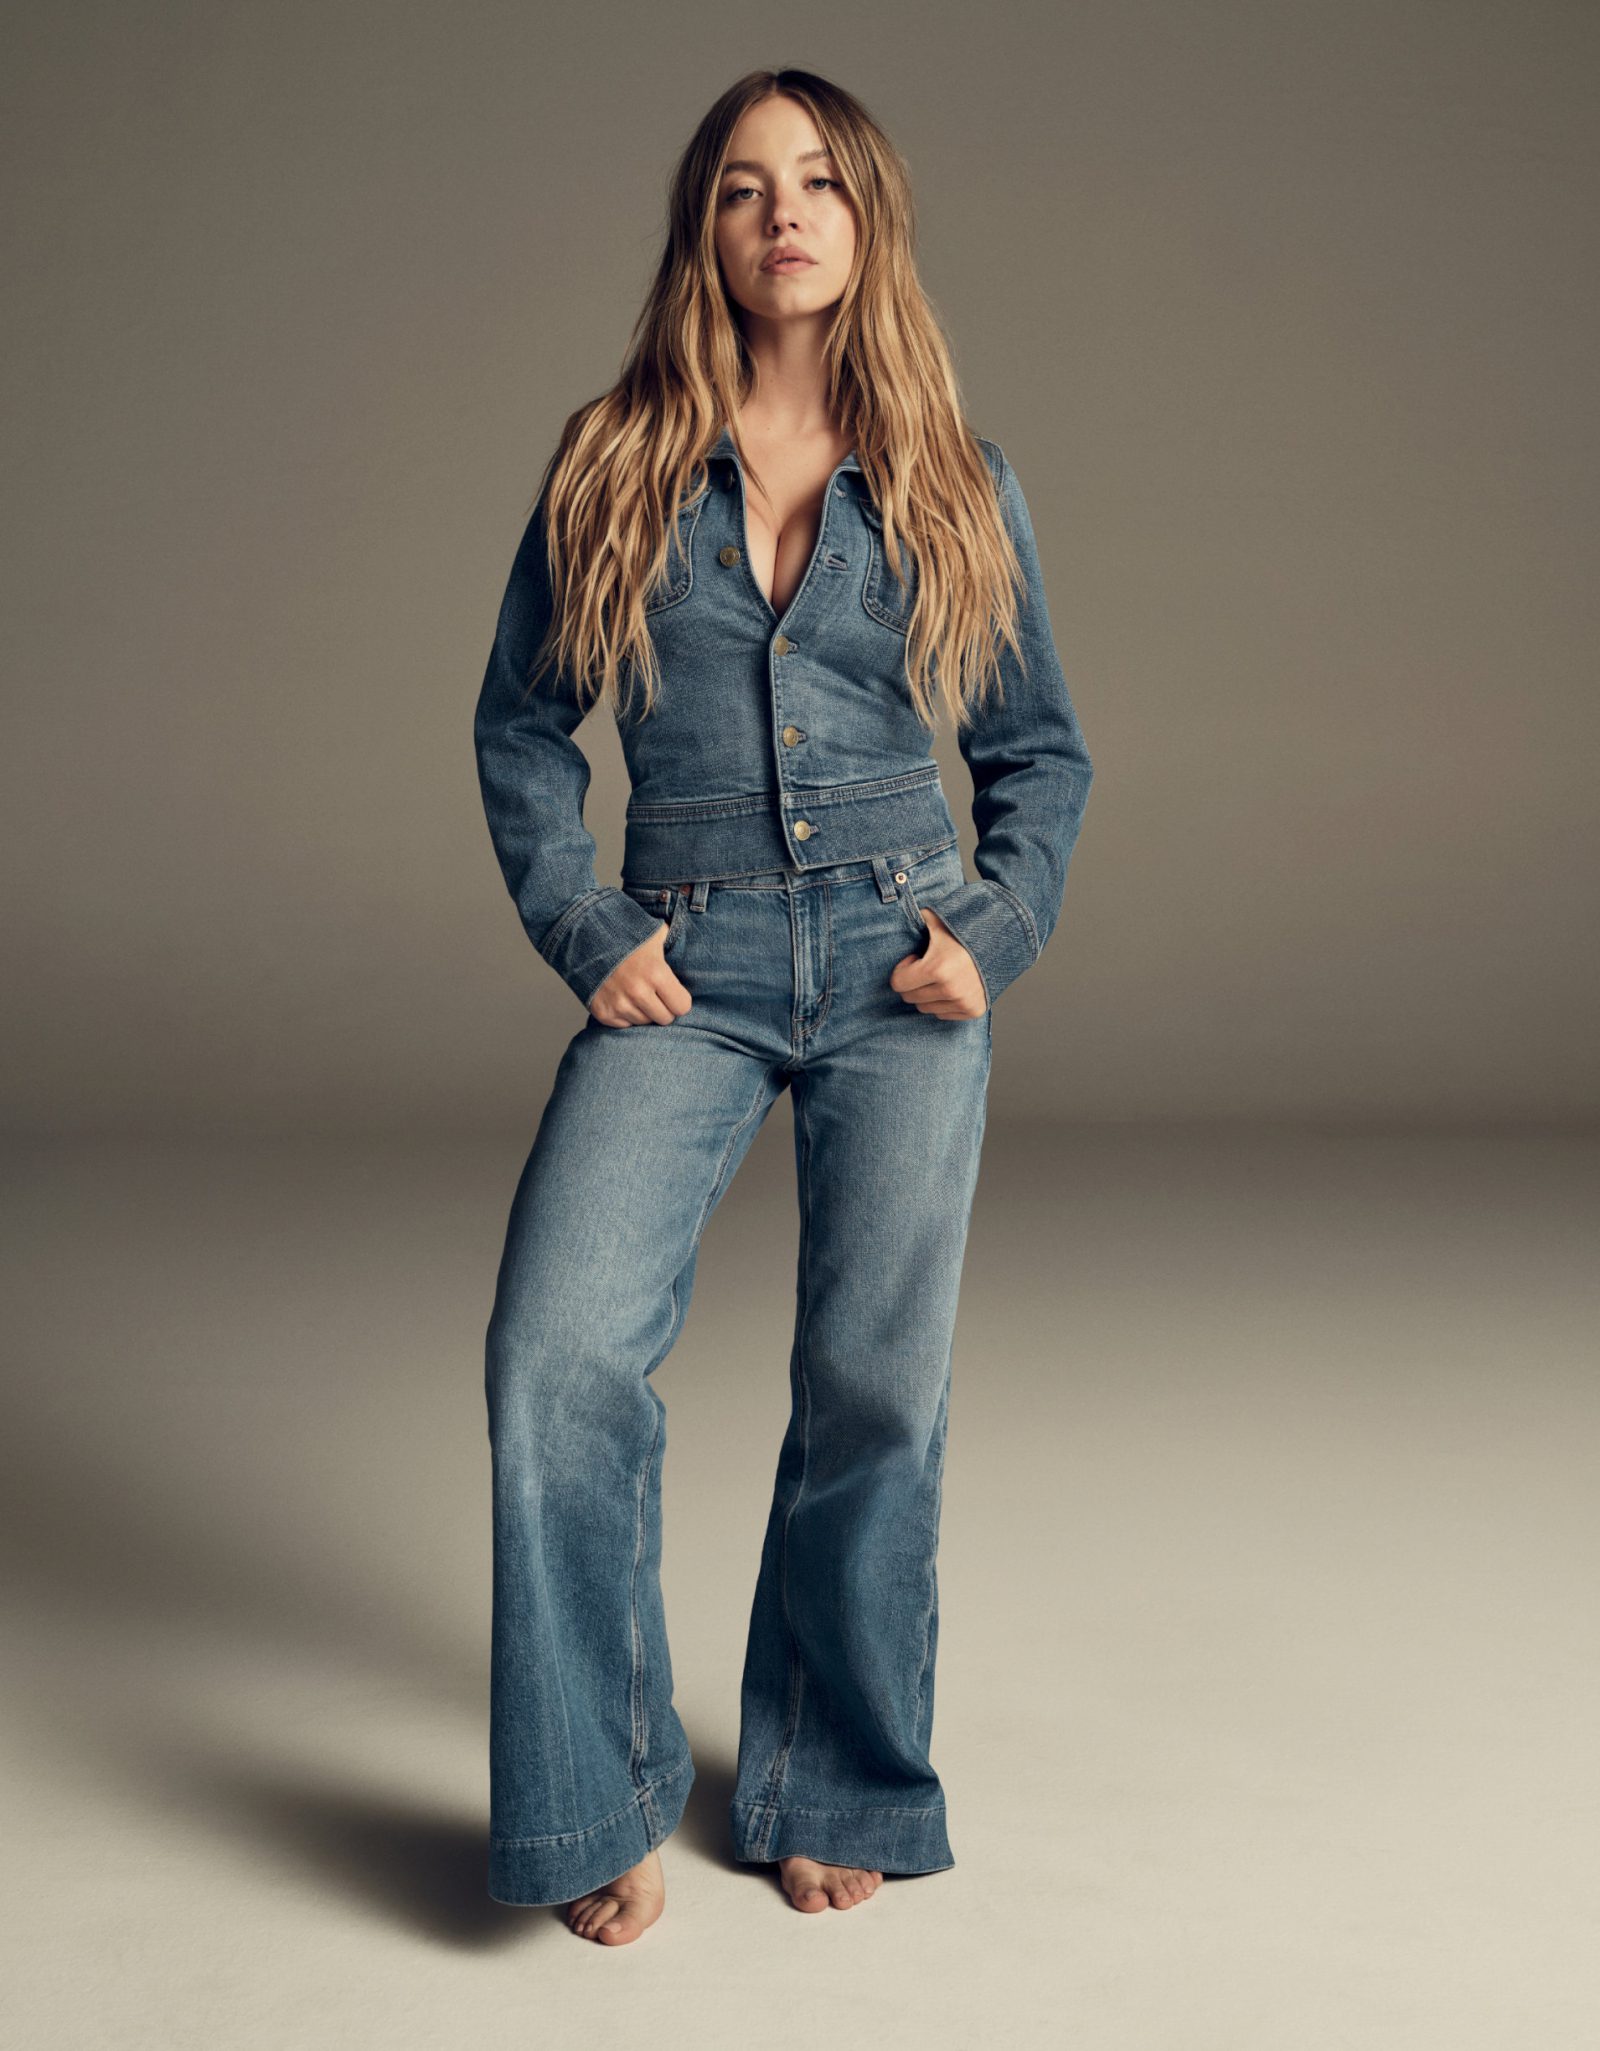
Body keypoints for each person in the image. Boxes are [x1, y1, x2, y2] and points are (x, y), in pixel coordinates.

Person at [473, 67, 1094, 1945]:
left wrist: (997, 929)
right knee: (555, 1355)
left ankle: (835, 1776)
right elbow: (522, 729)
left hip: (904, 966)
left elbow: (1039, 754)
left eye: (818, 181)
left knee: (875, 1389)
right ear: (707, 228)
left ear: (866, 216)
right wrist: (587, 925)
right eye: (745, 187)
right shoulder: (613, 461)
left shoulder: (957, 476)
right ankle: (593, 1791)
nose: (784, 214)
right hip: (692, 963)